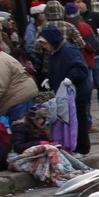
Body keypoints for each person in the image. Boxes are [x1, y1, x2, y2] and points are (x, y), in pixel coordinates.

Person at [7, 103, 91, 186]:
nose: (42, 121)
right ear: (33, 118)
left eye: (43, 118)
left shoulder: (42, 128)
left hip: (40, 153)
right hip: (23, 157)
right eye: (39, 119)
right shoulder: (21, 127)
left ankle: (83, 169)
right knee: (51, 149)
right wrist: (39, 144)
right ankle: (65, 173)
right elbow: (18, 146)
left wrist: (50, 143)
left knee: (59, 150)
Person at [38, 25, 90, 156]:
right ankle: (72, 146)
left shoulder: (69, 50)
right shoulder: (54, 53)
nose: (44, 46)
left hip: (77, 94)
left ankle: (82, 148)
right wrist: (49, 78)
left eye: (45, 43)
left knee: (79, 121)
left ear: (52, 41)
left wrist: (70, 78)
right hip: (65, 95)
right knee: (69, 122)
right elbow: (55, 69)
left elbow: (81, 68)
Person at [72, 0, 99, 119]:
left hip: (96, 57)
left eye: (79, 2)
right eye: (75, 2)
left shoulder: (95, 16)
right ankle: (87, 118)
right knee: (86, 88)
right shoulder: (73, 21)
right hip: (83, 59)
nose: (77, 4)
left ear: (86, 3)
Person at [64, 2, 99, 131]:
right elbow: (94, 46)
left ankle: (75, 123)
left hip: (69, 66)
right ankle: (87, 123)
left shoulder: (63, 28)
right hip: (85, 63)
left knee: (71, 96)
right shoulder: (83, 27)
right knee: (85, 94)